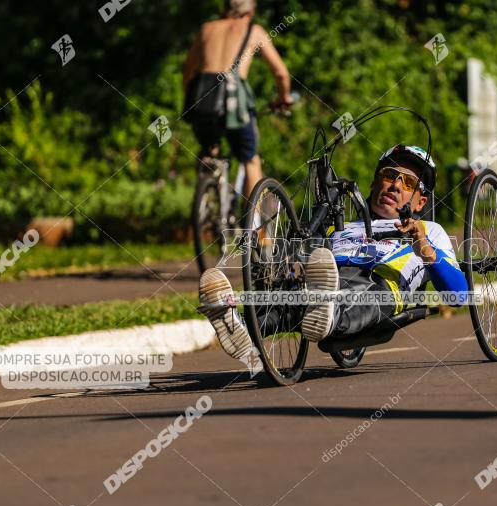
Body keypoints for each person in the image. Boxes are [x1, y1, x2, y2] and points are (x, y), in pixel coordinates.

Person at [199, 144, 468, 363]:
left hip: (379, 284)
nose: (395, 185)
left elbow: (458, 295)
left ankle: (327, 314)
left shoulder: (430, 230)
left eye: (408, 182)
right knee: (292, 299)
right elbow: (311, 261)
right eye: (389, 175)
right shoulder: (343, 227)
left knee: (350, 298)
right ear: (375, 182)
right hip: (328, 280)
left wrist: (423, 246)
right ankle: (240, 324)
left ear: (420, 201)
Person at [181, 0, 293, 198]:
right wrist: (283, 97)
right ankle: (253, 223)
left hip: (202, 99)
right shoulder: (255, 31)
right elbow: (281, 74)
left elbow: (187, 71)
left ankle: (207, 204)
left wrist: (192, 99)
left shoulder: (206, 29)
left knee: (209, 150)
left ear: (224, 10)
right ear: (250, 13)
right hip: (235, 102)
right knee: (250, 160)